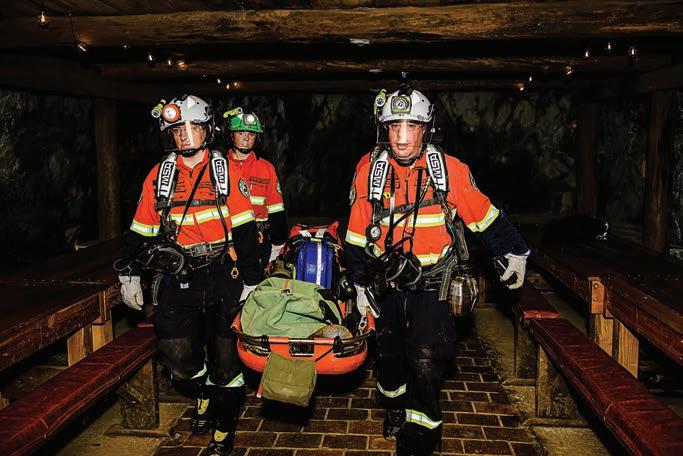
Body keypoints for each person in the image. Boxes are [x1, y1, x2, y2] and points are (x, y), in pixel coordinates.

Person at [344, 88, 529, 455]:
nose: (401, 137)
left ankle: (418, 441)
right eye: (393, 126)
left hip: (433, 286)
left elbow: (484, 216)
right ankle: (394, 406)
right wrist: (359, 286)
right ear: (383, 129)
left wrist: (515, 251)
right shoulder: (369, 174)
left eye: (411, 126)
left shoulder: (450, 171)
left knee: (426, 361)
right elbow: (354, 236)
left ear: (426, 129)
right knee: (390, 361)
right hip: (387, 286)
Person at [117, 94, 262, 456]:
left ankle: (222, 432)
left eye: (193, 127)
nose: (185, 135)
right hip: (178, 277)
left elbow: (246, 231)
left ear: (208, 130)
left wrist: (252, 280)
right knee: (178, 358)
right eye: (177, 129)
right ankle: (202, 392)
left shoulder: (226, 173)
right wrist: (128, 273)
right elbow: (141, 229)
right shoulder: (160, 176)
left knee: (227, 362)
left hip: (222, 274)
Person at [223, 108, 287, 269]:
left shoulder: (266, 168)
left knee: (257, 281)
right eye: (241, 133)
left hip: (259, 239)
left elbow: (276, 208)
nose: (246, 138)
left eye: (251, 134)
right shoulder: (219, 167)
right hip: (226, 240)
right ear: (232, 135)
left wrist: (278, 243)